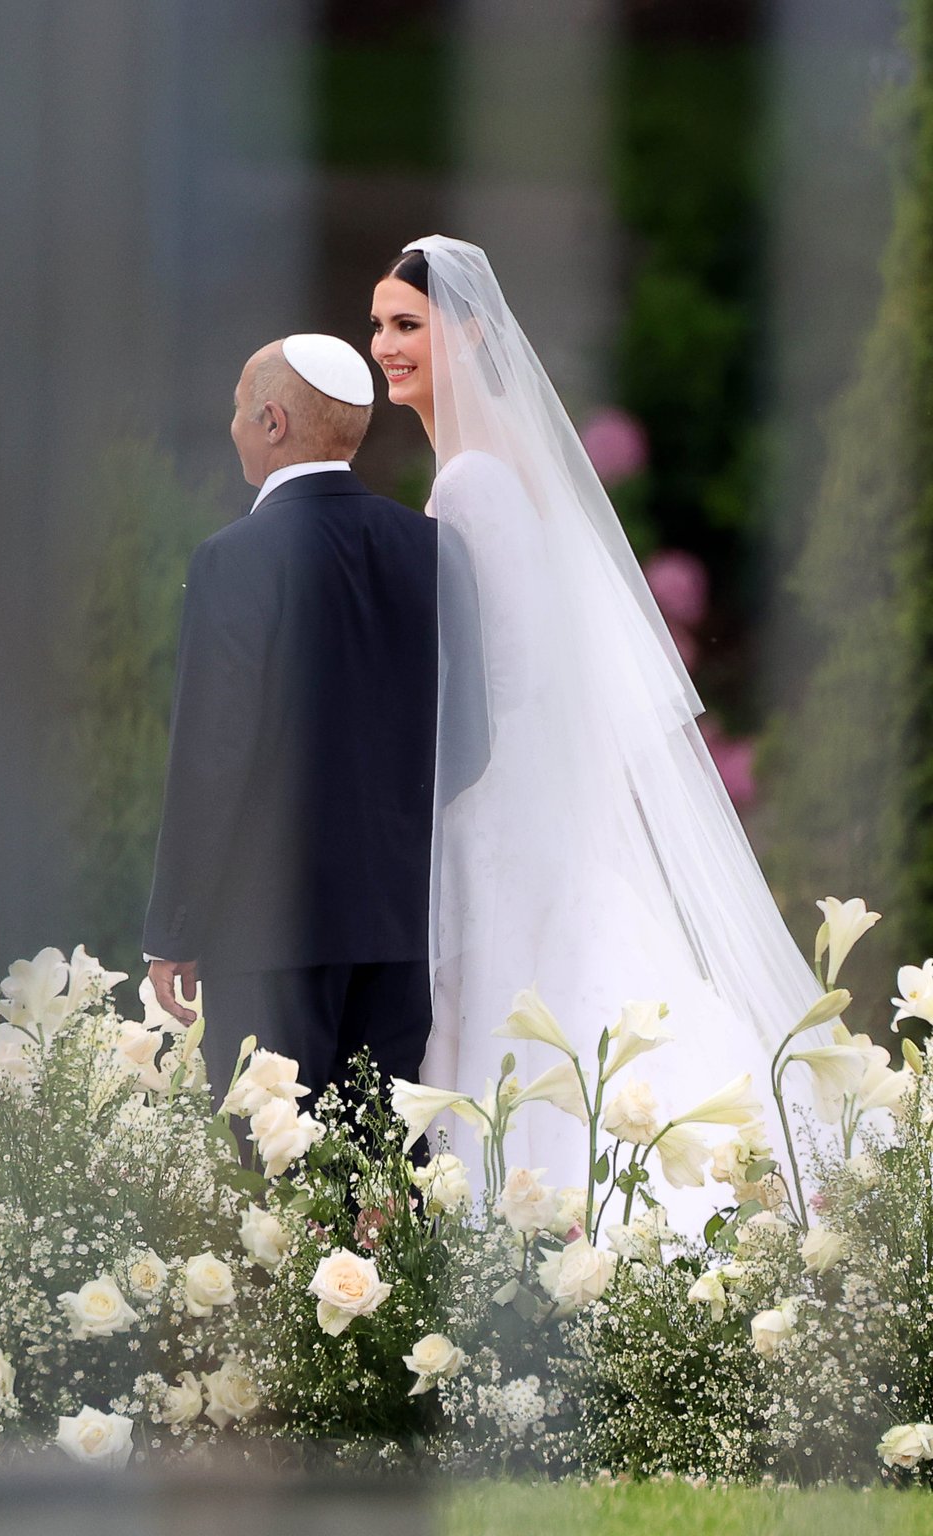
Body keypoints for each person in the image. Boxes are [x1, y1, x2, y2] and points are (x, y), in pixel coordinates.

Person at [369, 238, 826, 1214]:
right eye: (376, 326)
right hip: (526, 797)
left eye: (407, 324)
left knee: (522, 1011)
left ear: (470, 332)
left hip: (493, 803)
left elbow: (510, 669)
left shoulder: (468, 483)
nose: (384, 345)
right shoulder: (494, 468)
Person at [143, 334, 451, 1109]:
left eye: (239, 410)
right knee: (382, 1192)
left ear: (273, 422)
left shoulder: (234, 556)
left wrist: (176, 927)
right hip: (402, 926)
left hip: (268, 927)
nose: (233, 426)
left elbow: (212, 755)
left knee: (272, 1188)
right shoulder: (430, 546)